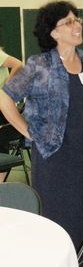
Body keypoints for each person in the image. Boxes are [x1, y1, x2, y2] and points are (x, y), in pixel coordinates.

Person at [0, 0, 83, 264]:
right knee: (55, 214)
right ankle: (53, 265)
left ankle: (81, 262)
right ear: (53, 32)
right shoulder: (39, 66)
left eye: (77, 19)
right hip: (53, 156)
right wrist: (26, 129)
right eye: (68, 22)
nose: (76, 25)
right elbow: (5, 97)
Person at [0, 48, 23, 182]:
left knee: (1, 144)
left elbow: (18, 64)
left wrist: (6, 86)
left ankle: (1, 184)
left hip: (2, 107)